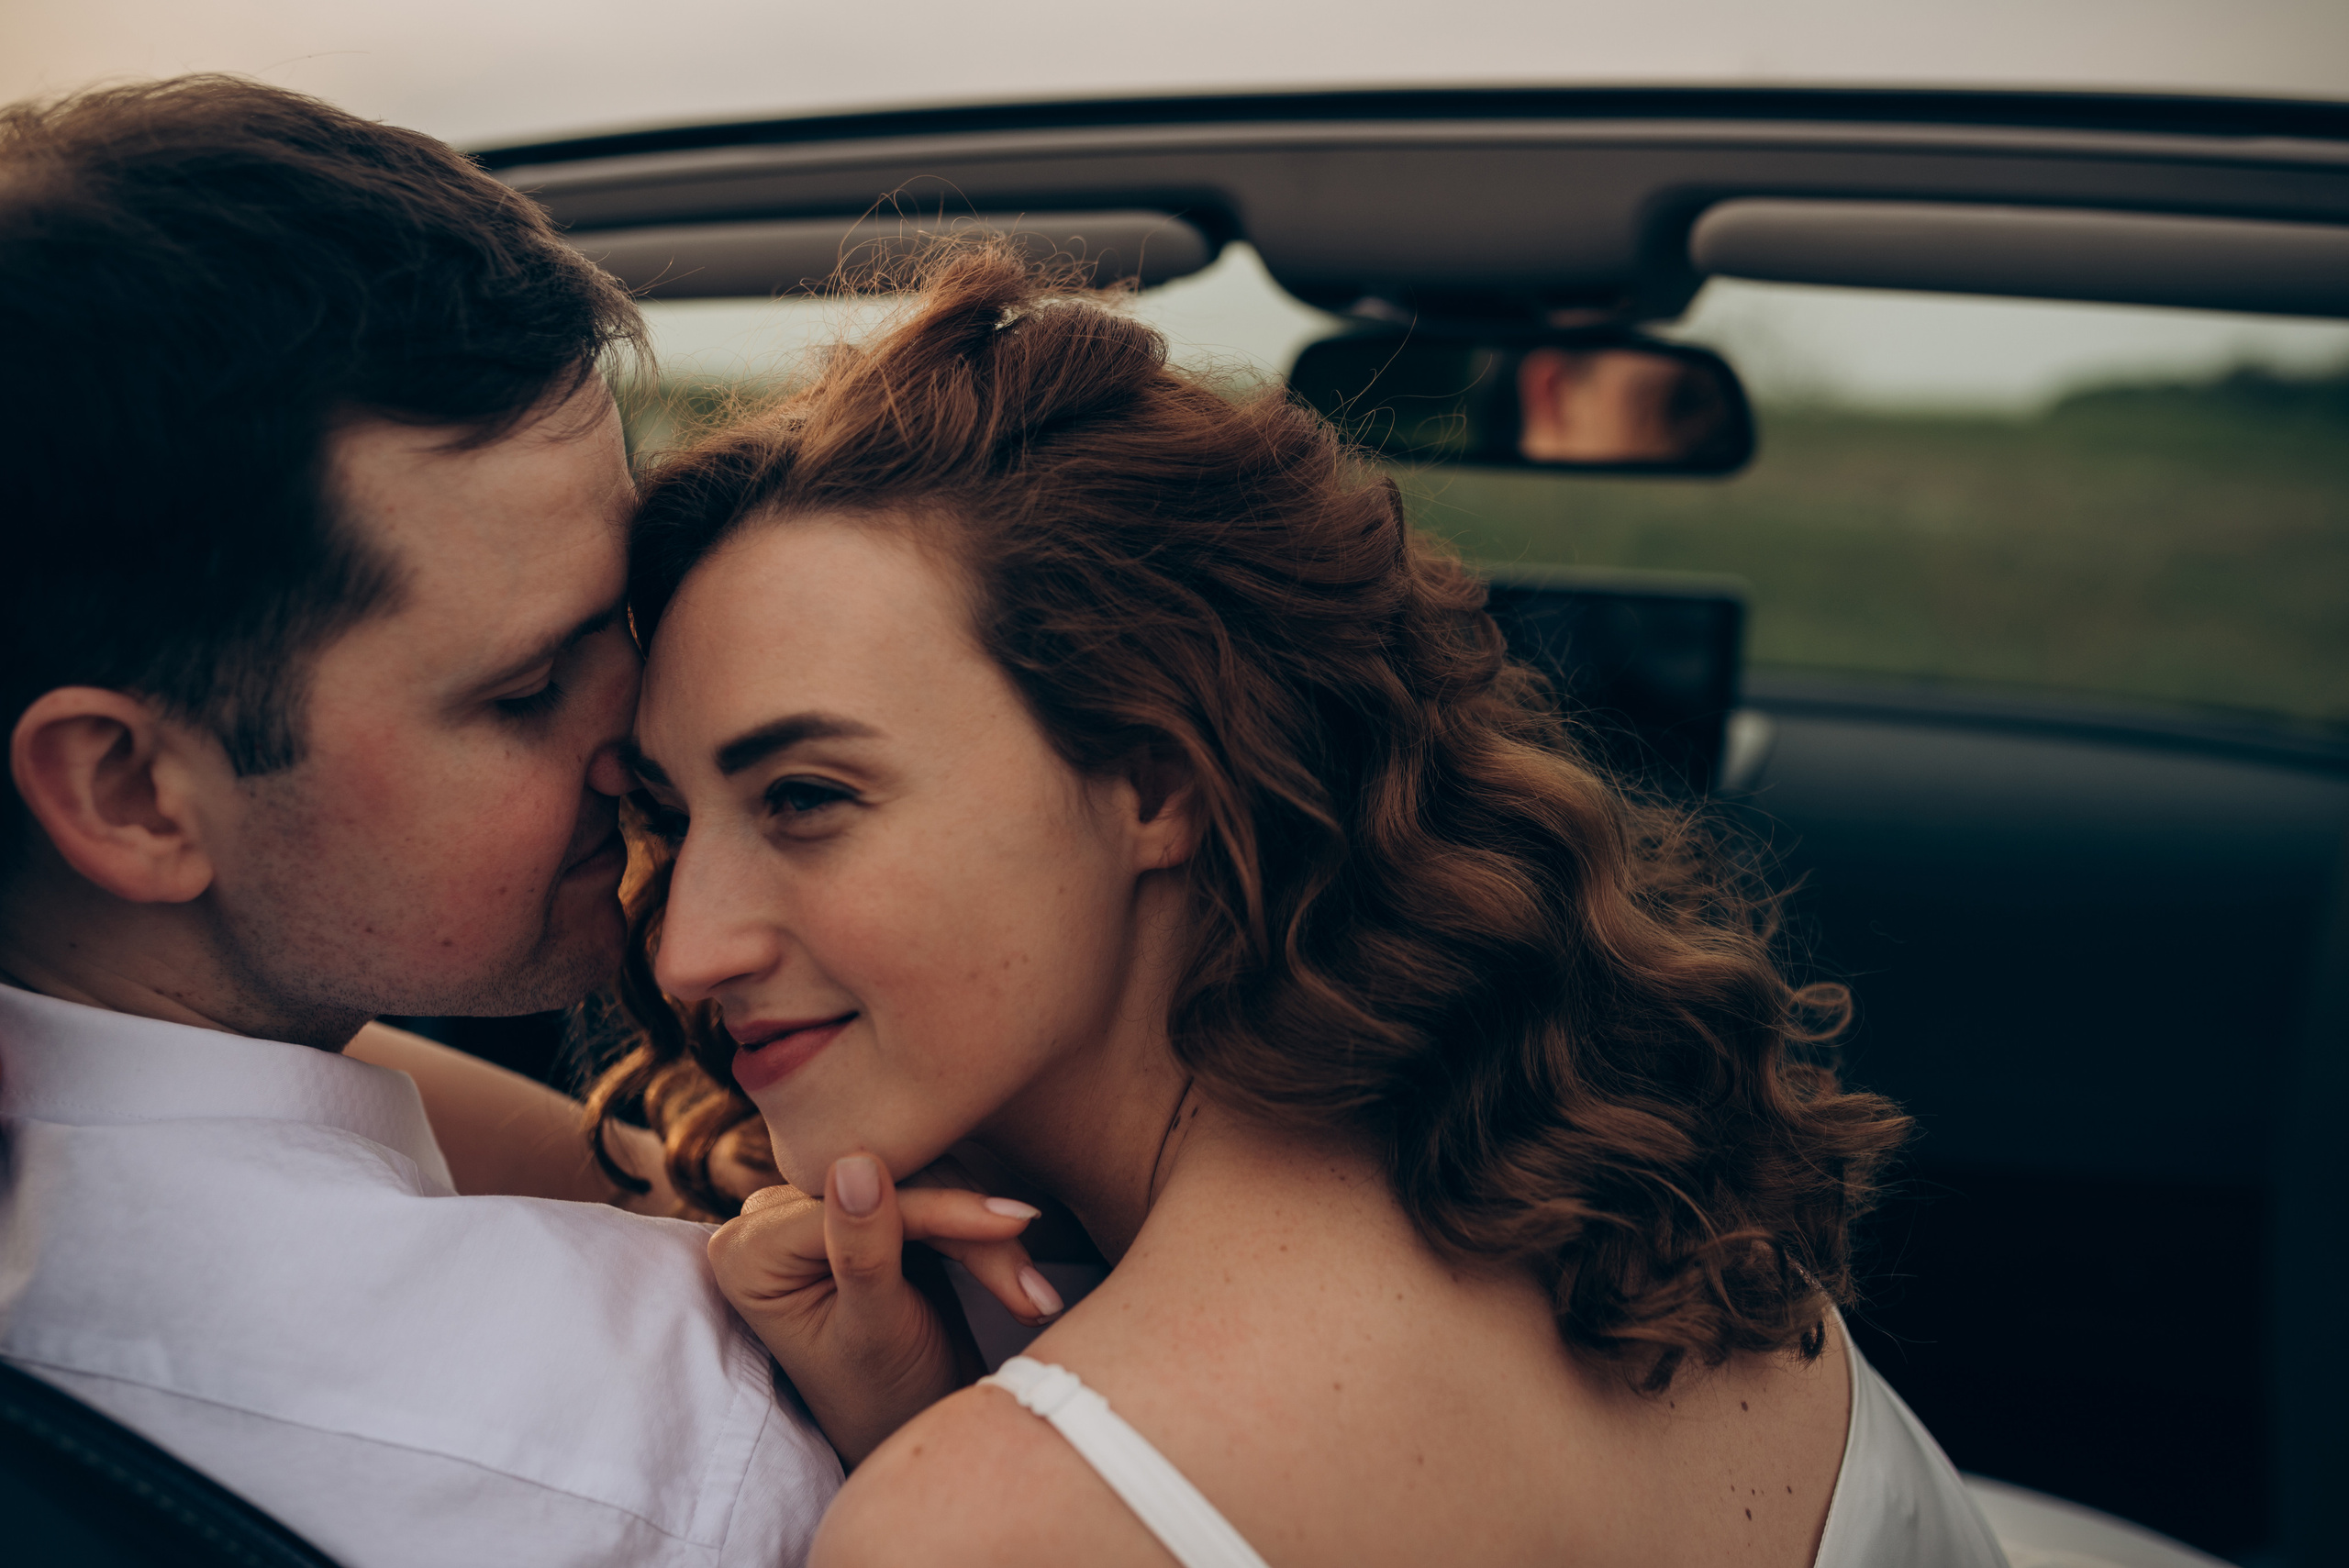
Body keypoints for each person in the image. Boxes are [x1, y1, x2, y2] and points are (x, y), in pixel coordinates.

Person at [606, 244, 2013, 1567]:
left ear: (1156, 781)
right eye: (667, 819)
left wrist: (951, 1464)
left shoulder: (995, 1522)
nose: (683, 944)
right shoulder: (1653, 1224)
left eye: (803, 796)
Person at [0, 77, 1039, 1565]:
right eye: (528, 686)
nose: (639, 728)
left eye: (621, 618)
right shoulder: (656, 1439)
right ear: (129, 791)